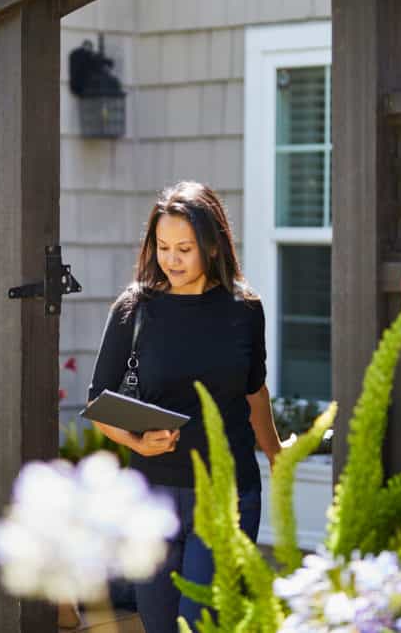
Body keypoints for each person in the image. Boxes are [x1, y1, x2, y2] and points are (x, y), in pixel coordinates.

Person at [87, 181, 290, 633]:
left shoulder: (245, 310)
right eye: (163, 247)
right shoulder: (133, 310)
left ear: (212, 247)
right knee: (159, 624)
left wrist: (276, 453)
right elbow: (99, 402)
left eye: (184, 248)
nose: (171, 259)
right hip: (152, 497)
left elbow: (254, 391)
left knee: (200, 622)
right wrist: (138, 442)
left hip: (228, 492)